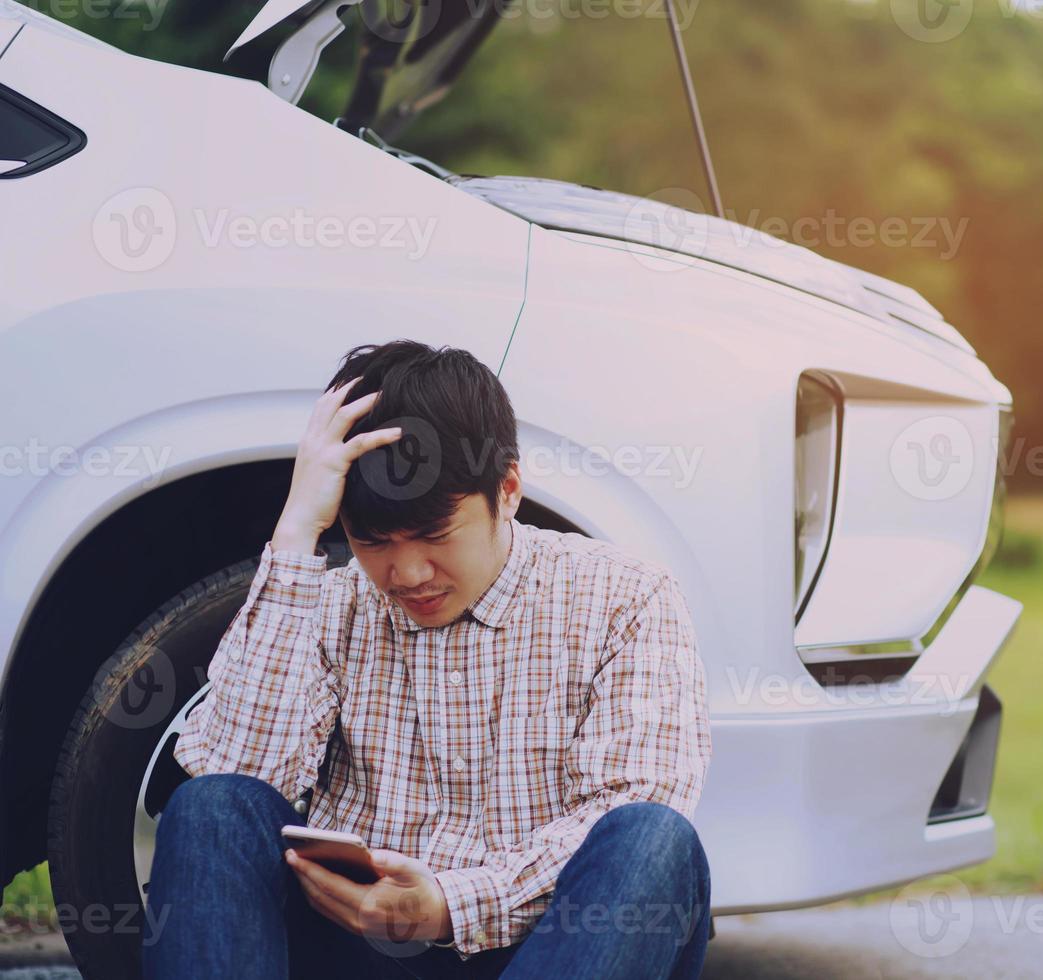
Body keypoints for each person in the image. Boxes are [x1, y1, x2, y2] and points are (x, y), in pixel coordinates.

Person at [142, 340, 713, 979]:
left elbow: (633, 800)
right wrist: (298, 526)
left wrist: (448, 907)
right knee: (211, 809)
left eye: (436, 536)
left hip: (546, 949)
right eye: (373, 541)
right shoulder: (331, 604)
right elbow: (233, 772)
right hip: (356, 949)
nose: (407, 572)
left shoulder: (626, 598)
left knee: (655, 840)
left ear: (509, 489)